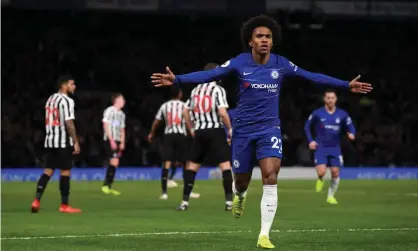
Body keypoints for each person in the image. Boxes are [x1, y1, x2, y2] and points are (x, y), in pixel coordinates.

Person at [151, 15, 372, 249]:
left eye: (268, 36)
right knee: (242, 182)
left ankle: (264, 235)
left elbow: (311, 76)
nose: (264, 40)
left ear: (272, 41)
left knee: (270, 174)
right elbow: (209, 75)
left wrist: (345, 85)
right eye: (259, 36)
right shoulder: (239, 62)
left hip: (269, 128)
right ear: (250, 41)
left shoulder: (281, 63)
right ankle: (241, 196)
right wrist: (178, 80)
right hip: (243, 131)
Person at [176, 62, 234, 211]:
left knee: (193, 167)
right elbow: (222, 112)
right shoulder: (217, 89)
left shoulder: (196, 90)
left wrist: (192, 129)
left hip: (200, 132)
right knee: (225, 166)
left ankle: (184, 202)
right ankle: (228, 202)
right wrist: (230, 128)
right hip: (215, 131)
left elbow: (185, 112)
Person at [31, 75, 81, 214]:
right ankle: (64, 205)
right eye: (72, 84)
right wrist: (76, 141)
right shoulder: (67, 101)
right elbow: (69, 123)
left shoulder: (50, 99)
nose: (74, 86)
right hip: (63, 141)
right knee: (65, 171)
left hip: (50, 140)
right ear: (63, 85)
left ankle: (36, 200)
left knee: (48, 171)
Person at [304, 89, 356, 204]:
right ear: (324, 99)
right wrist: (311, 141)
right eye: (328, 98)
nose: (330, 100)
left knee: (335, 172)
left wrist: (352, 133)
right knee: (322, 171)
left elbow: (350, 125)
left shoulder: (342, 114)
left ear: (336, 99)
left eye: (332, 98)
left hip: (335, 148)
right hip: (321, 147)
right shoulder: (318, 113)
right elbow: (307, 126)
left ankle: (330, 196)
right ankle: (320, 178)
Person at [148, 87, 190, 200]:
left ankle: (164, 193)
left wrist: (151, 133)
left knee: (166, 163)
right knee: (186, 163)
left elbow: (156, 122)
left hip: (169, 136)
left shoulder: (164, 106)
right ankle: (187, 193)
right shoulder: (184, 105)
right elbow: (187, 120)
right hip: (181, 136)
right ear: (180, 94)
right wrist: (192, 132)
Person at [101, 93, 126, 195]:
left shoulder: (122, 114)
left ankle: (108, 186)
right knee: (114, 161)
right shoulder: (109, 111)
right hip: (109, 139)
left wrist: (122, 142)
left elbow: (122, 129)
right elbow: (105, 125)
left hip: (117, 140)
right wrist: (111, 140)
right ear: (116, 100)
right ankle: (106, 185)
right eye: (122, 99)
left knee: (115, 162)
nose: (124, 101)